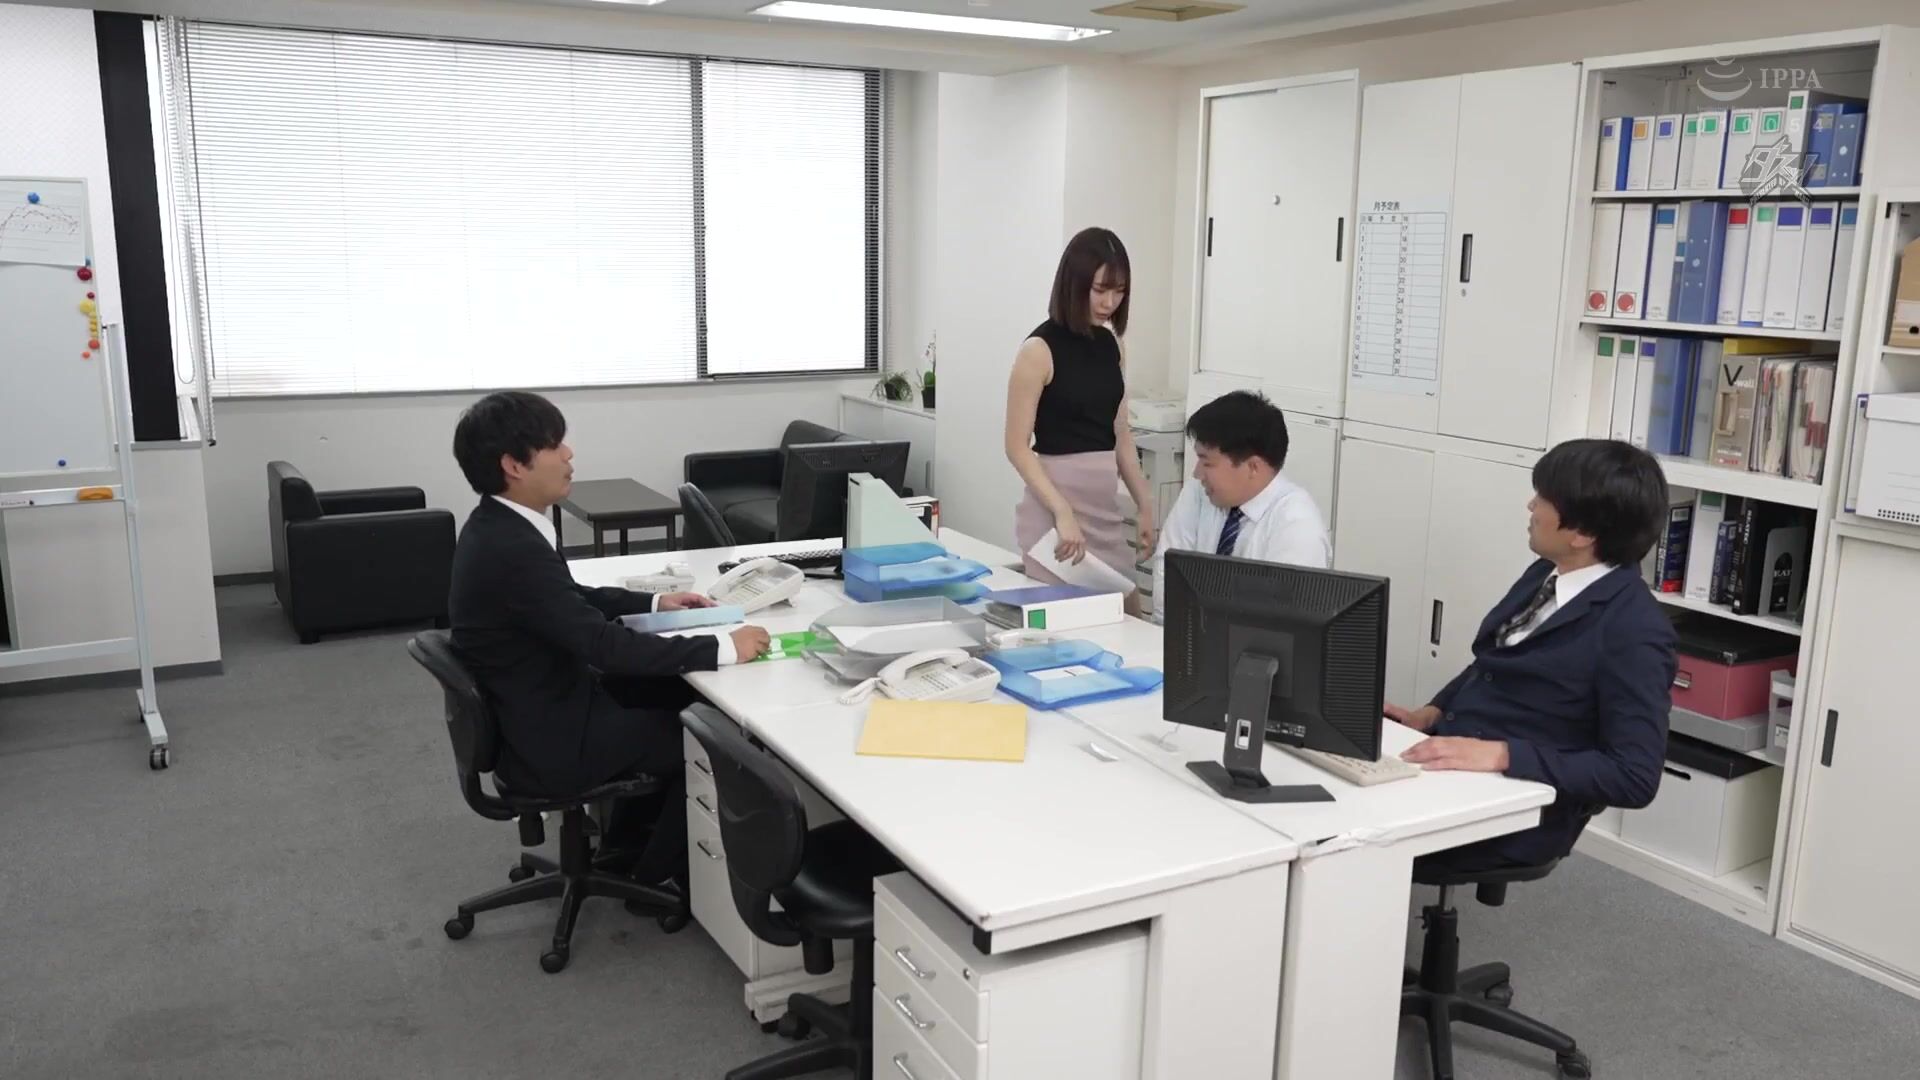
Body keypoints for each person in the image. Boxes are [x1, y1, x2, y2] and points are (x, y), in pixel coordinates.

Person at [447, 391, 771, 886]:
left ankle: (625, 848)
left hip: (533, 710)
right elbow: (604, 646)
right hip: (552, 740)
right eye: (554, 445)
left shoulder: (499, 525)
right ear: (513, 465)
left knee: (676, 696)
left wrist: (655, 603)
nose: (569, 454)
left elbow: (568, 598)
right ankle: (651, 878)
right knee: (710, 741)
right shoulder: (512, 548)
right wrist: (724, 647)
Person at [1389, 438, 1677, 876]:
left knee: (1344, 841)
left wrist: (1503, 755)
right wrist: (1432, 711)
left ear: (1582, 533)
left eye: (1543, 498)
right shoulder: (1547, 572)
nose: (1530, 506)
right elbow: (1494, 658)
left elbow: (1634, 776)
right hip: (1457, 766)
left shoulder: (1634, 630)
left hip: (1517, 809)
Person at [1005, 227, 1156, 615]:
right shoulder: (1038, 350)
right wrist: (1061, 511)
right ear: (1074, 283)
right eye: (1100, 289)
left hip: (1102, 509)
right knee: (1068, 622)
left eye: (1119, 291)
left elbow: (1120, 432)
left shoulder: (1112, 346)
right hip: (1055, 510)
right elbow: (1016, 447)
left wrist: (1145, 503)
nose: (1109, 302)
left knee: (1129, 615)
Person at [1150, 390, 1330, 619]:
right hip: (1185, 634)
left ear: (1253, 467)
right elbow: (1167, 572)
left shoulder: (1296, 524)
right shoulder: (1200, 492)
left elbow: (1283, 620)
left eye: (1207, 463)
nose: (1197, 474)